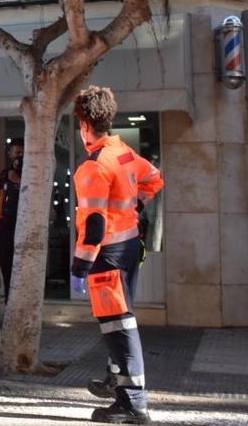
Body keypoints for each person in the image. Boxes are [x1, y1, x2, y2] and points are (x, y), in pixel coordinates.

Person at [70, 86, 163, 424]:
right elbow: (155, 179)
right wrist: (136, 204)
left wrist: (80, 266)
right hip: (128, 247)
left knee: (118, 325)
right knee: (120, 320)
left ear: (83, 125)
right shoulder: (124, 152)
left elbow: (94, 225)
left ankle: (133, 404)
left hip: (107, 254)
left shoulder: (93, 166)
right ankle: (116, 380)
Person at [0, 138, 24, 299]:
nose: (20, 157)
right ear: (10, 154)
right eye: (17, 153)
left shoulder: (32, 177)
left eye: (23, 153)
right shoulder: (4, 176)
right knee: (7, 268)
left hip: (26, 230)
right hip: (7, 229)